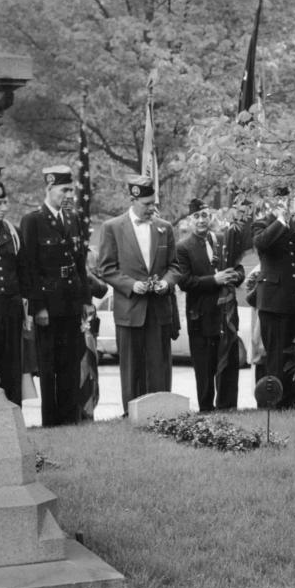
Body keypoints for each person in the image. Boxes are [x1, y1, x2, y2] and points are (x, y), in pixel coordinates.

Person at [97, 175, 181, 412]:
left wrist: (166, 283)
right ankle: (131, 414)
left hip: (159, 309)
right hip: (130, 309)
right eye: (146, 204)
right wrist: (131, 285)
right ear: (133, 200)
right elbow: (106, 269)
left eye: (153, 203)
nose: (151, 208)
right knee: (132, 366)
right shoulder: (112, 227)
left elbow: (175, 266)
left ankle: (162, 412)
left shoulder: (165, 228)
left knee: (159, 365)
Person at [20, 165, 92, 426]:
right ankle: (51, 420)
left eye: (71, 190)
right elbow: (29, 268)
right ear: (49, 188)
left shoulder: (71, 219)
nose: (69, 195)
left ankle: (70, 418)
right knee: (49, 367)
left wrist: (86, 302)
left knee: (70, 363)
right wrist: (38, 307)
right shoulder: (33, 221)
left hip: (71, 303)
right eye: (64, 190)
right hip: (48, 306)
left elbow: (79, 263)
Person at [251, 186, 295, 410]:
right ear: (270, 201)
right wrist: (281, 220)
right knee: (275, 355)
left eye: (286, 199)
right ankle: (275, 401)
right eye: (279, 199)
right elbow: (262, 243)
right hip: (274, 302)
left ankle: (294, 399)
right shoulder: (263, 222)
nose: (284, 202)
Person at [176, 198, 243, 412]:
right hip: (201, 317)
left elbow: (239, 267)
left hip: (226, 315)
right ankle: (206, 409)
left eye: (205, 215)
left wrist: (235, 276)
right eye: (196, 216)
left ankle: (228, 407)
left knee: (229, 365)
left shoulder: (222, 239)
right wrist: (215, 280)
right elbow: (185, 281)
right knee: (204, 369)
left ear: (211, 217)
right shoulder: (183, 247)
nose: (201, 220)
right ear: (189, 220)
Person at [0, 183, 27, 406]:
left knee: (12, 360)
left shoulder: (12, 231)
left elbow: (23, 269)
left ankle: (14, 406)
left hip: (12, 306)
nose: (4, 208)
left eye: (5, 202)